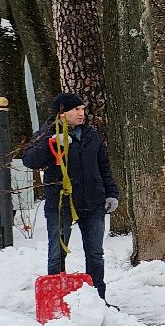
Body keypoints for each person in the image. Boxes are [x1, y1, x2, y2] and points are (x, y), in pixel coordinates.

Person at [21, 91, 118, 299]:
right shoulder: (47, 133)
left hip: (92, 202)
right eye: (77, 109)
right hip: (60, 203)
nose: (82, 113)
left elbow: (104, 166)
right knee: (57, 253)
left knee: (95, 254)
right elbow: (29, 159)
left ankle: (97, 299)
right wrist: (50, 143)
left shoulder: (91, 135)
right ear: (62, 112)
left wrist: (111, 193)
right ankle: (56, 300)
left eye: (83, 109)